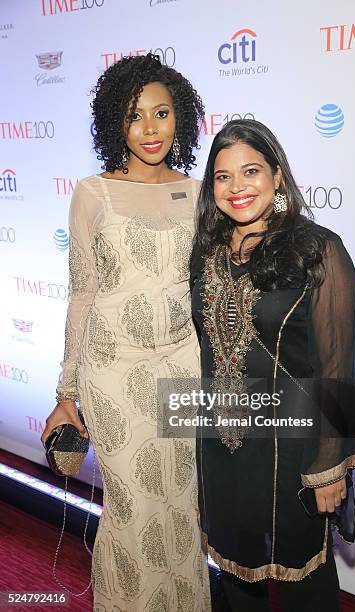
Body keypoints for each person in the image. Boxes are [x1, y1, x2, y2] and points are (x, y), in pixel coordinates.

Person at [41, 53, 211, 611]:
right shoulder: (95, 194)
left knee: (184, 506)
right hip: (113, 373)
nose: (149, 128)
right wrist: (66, 393)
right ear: (115, 121)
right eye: (134, 115)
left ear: (179, 118)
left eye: (161, 113)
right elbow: (82, 291)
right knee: (134, 507)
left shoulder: (197, 194)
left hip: (183, 366)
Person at [190, 119, 355, 611]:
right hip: (224, 451)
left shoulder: (318, 250)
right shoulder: (205, 256)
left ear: (278, 177)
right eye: (223, 177)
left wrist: (330, 465)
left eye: (251, 171)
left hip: (293, 454)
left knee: (306, 587)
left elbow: (339, 366)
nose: (237, 186)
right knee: (234, 582)